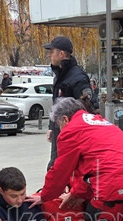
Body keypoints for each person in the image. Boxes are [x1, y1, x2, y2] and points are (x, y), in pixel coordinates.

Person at [43, 36, 94, 170]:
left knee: (64, 167)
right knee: (56, 165)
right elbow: (57, 105)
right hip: (59, 130)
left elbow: (88, 106)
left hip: (72, 134)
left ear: (61, 54)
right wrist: (52, 126)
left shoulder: (77, 77)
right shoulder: (60, 75)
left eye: (51, 52)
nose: (49, 55)